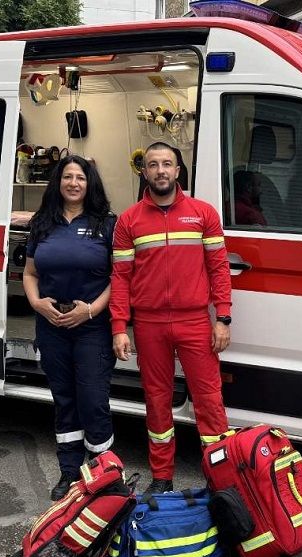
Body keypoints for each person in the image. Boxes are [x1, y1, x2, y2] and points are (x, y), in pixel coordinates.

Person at [110, 142, 232, 494]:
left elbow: (219, 268)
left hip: (195, 321)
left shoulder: (203, 213)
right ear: (144, 172)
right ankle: (162, 477)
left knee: (209, 401)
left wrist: (222, 317)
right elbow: (120, 278)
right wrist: (120, 327)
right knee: (157, 401)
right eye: (153, 164)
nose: (161, 170)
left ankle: (220, 479)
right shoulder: (128, 220)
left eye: (167, 164)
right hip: (149, 325)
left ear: (178, 171)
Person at [24, 155, 116, 501]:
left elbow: (118, 278)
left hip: (92, 326)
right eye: (67, 177)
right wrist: (36, 303)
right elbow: (31, 274)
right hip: (51, 325)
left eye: (80, 177)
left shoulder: (106, 224)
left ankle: (103, 471)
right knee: (64, 400)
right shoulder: (43, 223)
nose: (74, 183)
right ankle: (69, 473)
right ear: (58, 183)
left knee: (93, 400)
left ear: (89, 183)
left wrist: (90, 310)